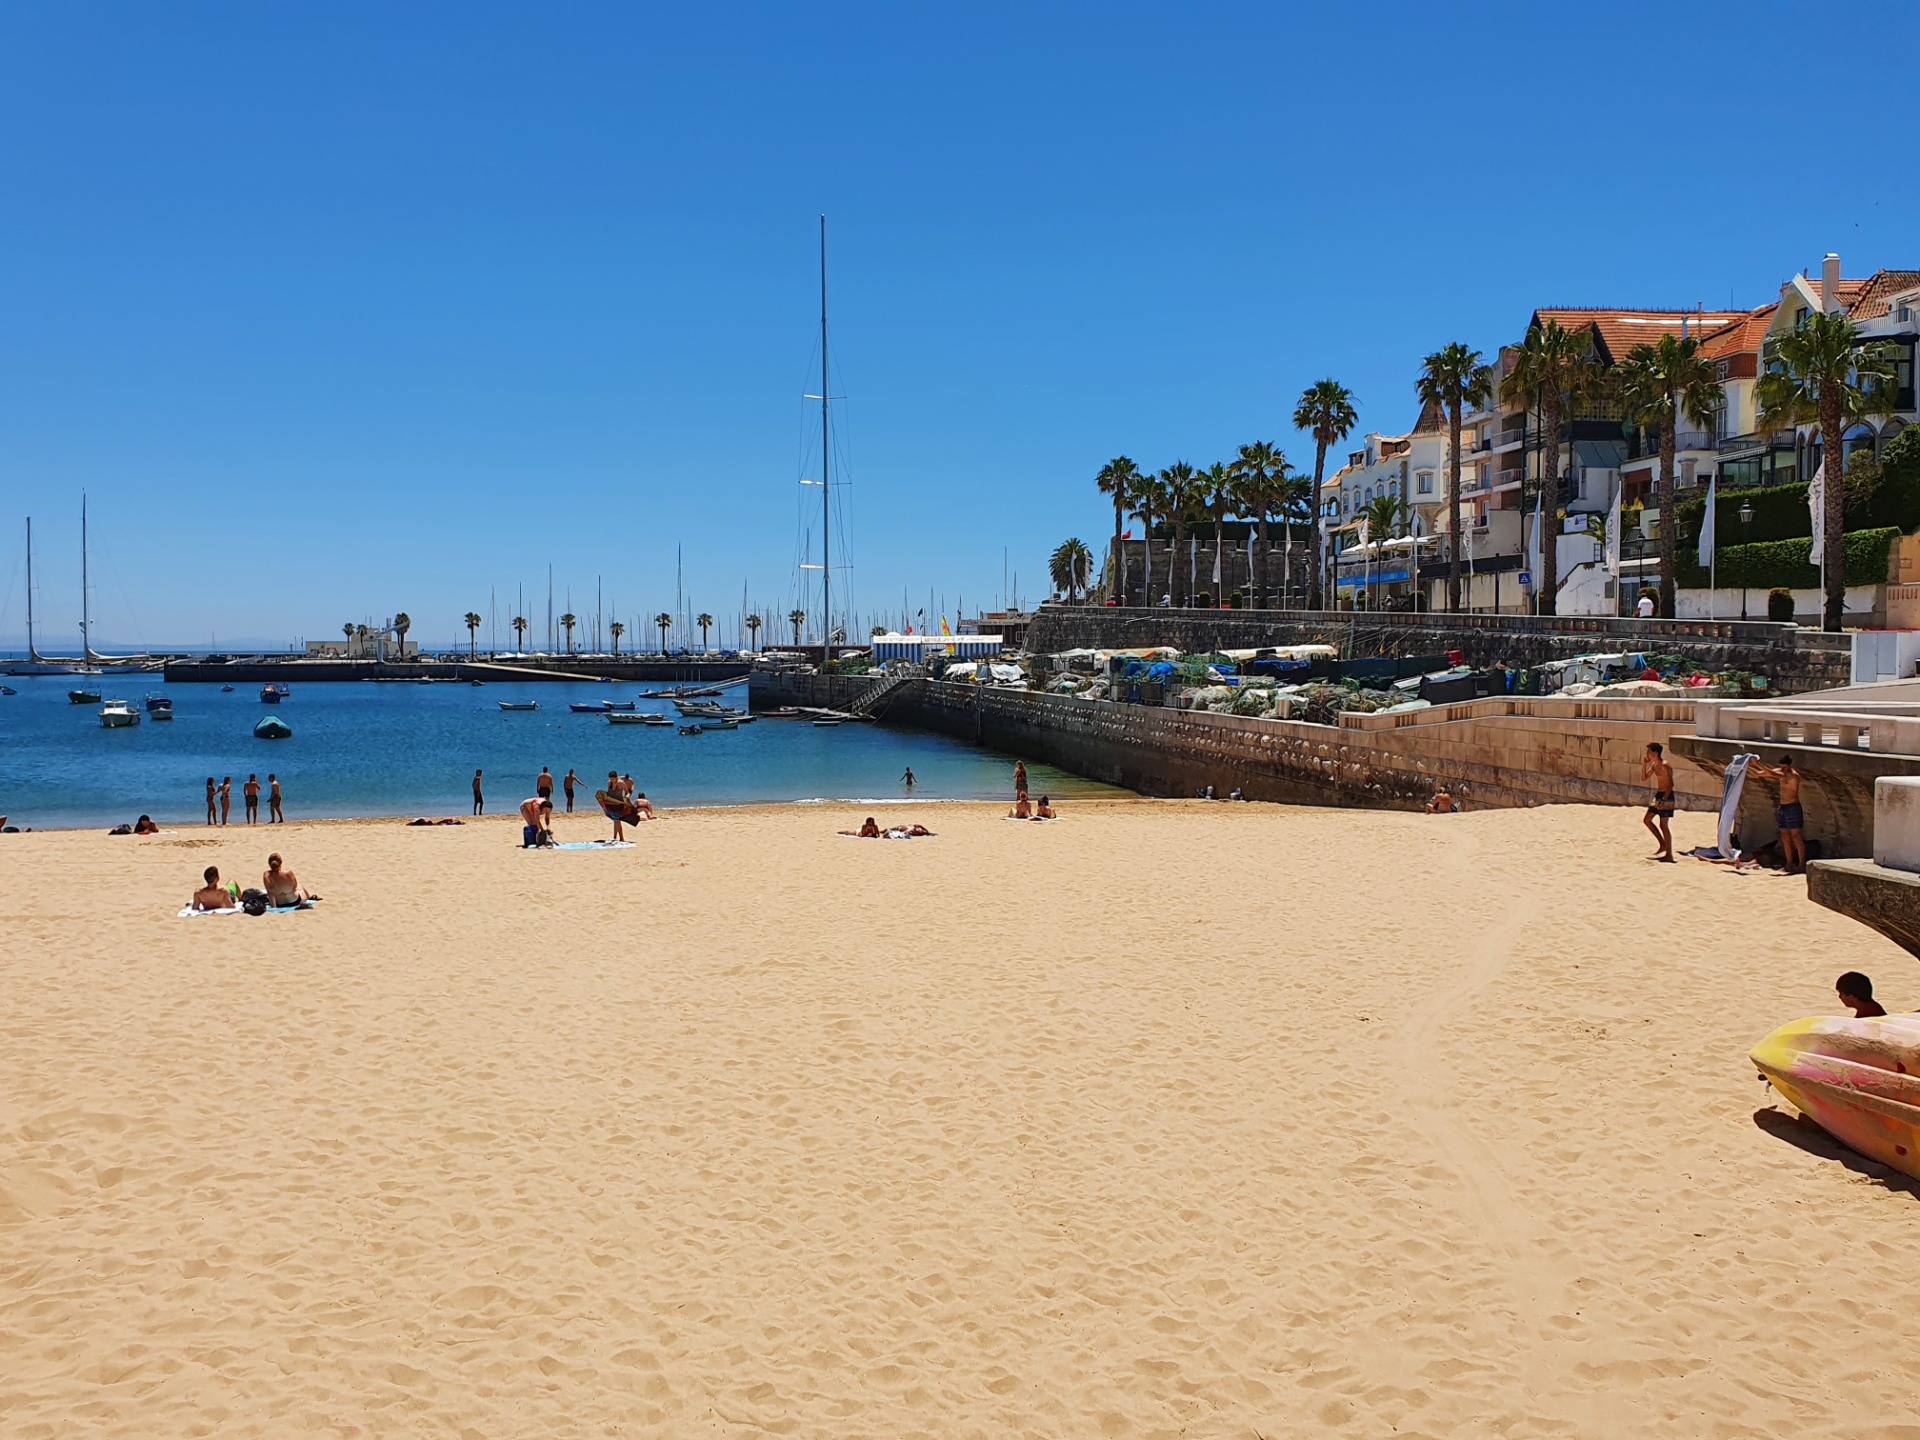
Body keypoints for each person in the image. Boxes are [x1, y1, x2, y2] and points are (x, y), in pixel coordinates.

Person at [1748, 755, 1806, 874]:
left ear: (1789, 766)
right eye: (1781, 767)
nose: (1782, 769)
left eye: (1784, 767)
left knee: (1796, 837)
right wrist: (1747, 767)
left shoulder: (1792, 775)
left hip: (1793, 807)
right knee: (1785, 836)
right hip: (1783, 807)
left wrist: (1757, 763)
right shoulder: (1781, 772)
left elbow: (1773, 774)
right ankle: (1789, 863)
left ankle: (1801, 864)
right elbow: (1760, 774)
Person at [1641, 743, 1675, 862]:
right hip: (1658, 795)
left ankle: (1669, 854)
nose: (1647, 755)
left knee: (1663, 825)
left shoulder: (1665, 765)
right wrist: (1644, 765)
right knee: (1647, 820)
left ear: (1655, 753)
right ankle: (1662, 844)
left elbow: (1671, 785)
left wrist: (1664, 799)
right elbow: (1644, 778)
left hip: (1667, 796)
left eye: (1649, 752)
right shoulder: (1655, 765)